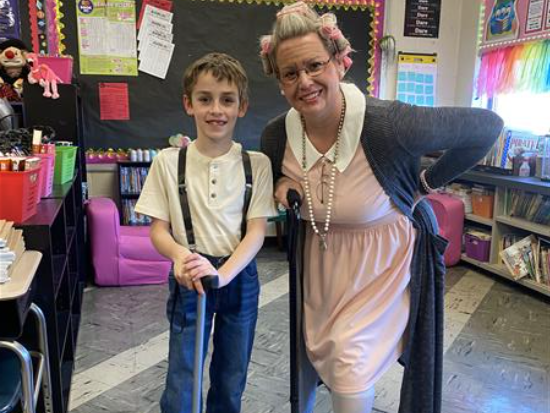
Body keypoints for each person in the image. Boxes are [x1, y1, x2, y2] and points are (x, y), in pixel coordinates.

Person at [258, 3, 504, 413]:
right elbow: (273, 183)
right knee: (325, 366)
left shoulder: (388, 124)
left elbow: (487, 127)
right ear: (279, 81)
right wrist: (282, 184)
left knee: (350, 375)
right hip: (320, 275)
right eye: (290, 73)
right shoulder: (275, 136)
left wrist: (427, 183)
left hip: (380, 270)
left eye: (315, 65)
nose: (304, 81)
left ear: (339, 63)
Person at [135, 52, 276, 413]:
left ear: (242, 106)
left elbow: (257, 231)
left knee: (231, 375)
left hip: (238, 278)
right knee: (184, 375)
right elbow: (159, 230)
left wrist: (223, 275)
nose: (217, 109)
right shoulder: (169, 162)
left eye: (227, 100)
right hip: (190, 277)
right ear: (189, 104)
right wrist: (182, 257)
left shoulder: (256, 165)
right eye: (205, 99)